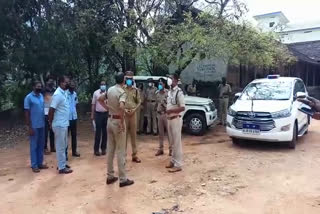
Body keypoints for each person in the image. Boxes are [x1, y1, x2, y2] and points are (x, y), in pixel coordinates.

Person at [98, 72, 134, 188]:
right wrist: (122, 120)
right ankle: (123, 179)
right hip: (118, 121)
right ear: (123, 80)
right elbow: (122, 106)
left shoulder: (110, 90)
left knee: (110, 149)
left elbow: (100, 99)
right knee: (120, 150)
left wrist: (108, 108)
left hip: (110, 119)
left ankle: (110, 176)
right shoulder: (121, 92)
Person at [49, 76, 73, 174]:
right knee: (60, 146)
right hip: (59, 124)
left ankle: (62, 163)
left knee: (64, 145)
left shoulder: (64, 93)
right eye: (66, 82)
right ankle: (61, 168)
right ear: (61, 83)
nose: (68, 84)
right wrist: (50, 123)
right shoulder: (58, 94)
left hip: (64, 123)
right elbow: (51, 110)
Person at [24, 81, 49, 173]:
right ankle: (34, 165)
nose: (39, 88)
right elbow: (26, 113)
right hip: (33, 125)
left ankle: (40, 163)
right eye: (38, 86)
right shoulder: (28, 98)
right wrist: (29, 127)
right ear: (33, 86)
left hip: (42, 124)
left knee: (41, 145)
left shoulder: (41, 96)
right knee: (34, 145)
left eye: (40, 86)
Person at [166, 73, 185, 173]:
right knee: (172, 142)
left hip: (176, 119)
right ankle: (173, 161)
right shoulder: (170, 92)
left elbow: (182, 107)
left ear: (176, 81)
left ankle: (178, 164)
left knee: (177, 142)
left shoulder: (179, 92)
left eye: (172, 79)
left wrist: (171, 111)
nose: (169, 80)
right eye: (169, 78)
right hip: (169, 119)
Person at [124, 71, 141, 163]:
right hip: (125, 114)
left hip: (133, 114)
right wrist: (125, 110)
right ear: (125, 79)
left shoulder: (136, 90)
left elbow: (139, 102)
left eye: (130, 79)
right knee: (124, 135)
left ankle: (135, 155)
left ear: (132, 79)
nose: (129, 80)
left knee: (134, 135)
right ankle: (123, 155)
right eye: (127, 79)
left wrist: (134, 109)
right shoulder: (122, 89)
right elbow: (120, 102)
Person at [155, 78, 172, 156]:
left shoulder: (167, 93)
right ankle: (160, 149)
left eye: (161, 84)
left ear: (164, 85)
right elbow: (156, 104)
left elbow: (170, 104)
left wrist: (164, 105)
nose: (160, 85)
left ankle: (171, 149)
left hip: (166, 114)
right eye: (159, 84)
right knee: (160, 133)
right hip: (159, 114)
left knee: (169, 132)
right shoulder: (157, 93)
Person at [91, 81, 108, 156]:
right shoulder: (96, 93)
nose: (103, 86)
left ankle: (103, 149)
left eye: (104, 84)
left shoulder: (108, 93)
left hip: (106, 114)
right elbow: (93, 104)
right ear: (100, 85)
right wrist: (92, 115)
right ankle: (96, 150)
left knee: (105, 132)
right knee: (98, 132)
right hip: (98, 114)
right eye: (102, 84)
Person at [43, 77, 56, 154]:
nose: (51, 82)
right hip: (45, 113)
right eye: (50, 81)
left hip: (53, 112)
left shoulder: (55, 90)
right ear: (46, 82)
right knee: (45, 132)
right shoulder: (43, 91)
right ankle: (45, 148)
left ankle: (52, 147)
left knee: (52, 130)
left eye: (52, 80)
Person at [67, 80, 80, 157]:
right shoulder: (65, 94)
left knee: (74, 135)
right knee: (66, 136)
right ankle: (65, 153)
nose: (72, 87)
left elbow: (76, 104)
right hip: (67, 117)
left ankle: (74, 151)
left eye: (73, 85)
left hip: (74, 117)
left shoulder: (75, 94)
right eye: (71, 85)